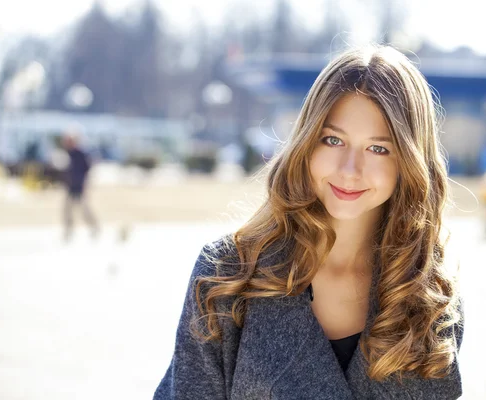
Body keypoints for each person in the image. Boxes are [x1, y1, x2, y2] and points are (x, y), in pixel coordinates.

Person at [154, 45, 464, 399]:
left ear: (409, 160)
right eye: (333, 140)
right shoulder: (228, 274)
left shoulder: (429, 293)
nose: (350, 170)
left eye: (379, 148)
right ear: (306, 143)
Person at [61, 131, 99, 241]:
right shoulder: (67, 154)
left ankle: (94, 227)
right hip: (70, 186)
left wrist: (84, 183)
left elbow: (87, 169)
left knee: (84, 209)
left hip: (80, 186)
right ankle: (68, 231)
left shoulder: (81, 154)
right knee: (67, 210)